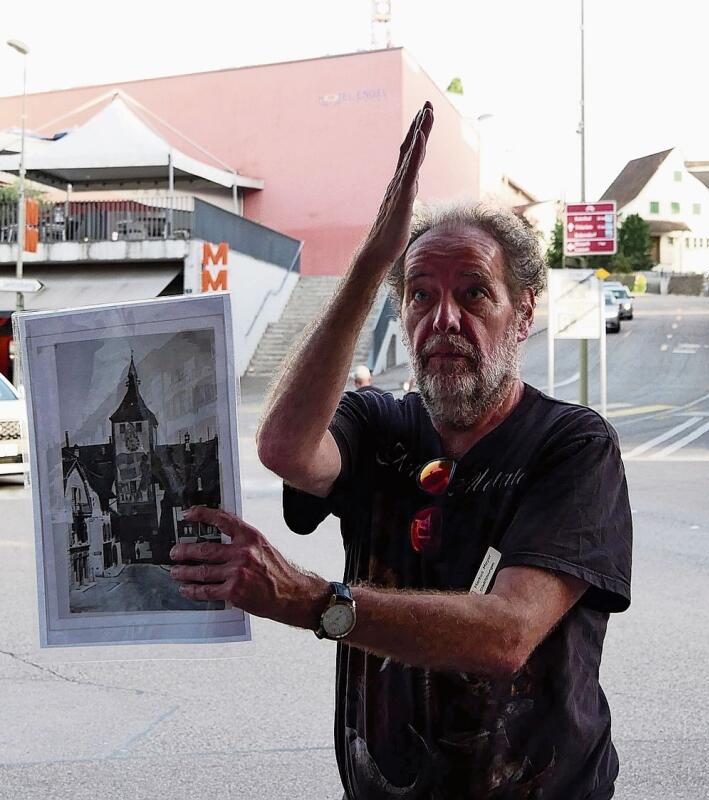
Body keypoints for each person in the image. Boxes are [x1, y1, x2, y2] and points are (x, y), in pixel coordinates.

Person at [170, 101, 632, 800]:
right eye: (419, 295)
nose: (442, 320)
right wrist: (370, 264)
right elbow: (287, 449)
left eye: (474, 294)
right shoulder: (378, 423)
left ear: (524, 313)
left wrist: (311, 600)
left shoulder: (572, 445)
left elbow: (507, 633)